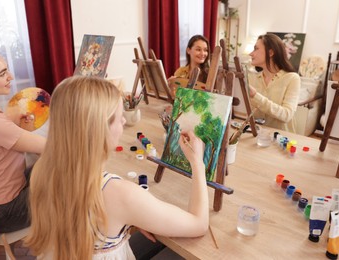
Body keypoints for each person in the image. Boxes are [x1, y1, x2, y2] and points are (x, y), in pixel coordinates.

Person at [25, 76, 209, 260]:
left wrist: (129, 219)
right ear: (99, 130)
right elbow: (199, 225)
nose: (123, 121)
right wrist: (197, 163)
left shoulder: (42, 170)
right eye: (118, 117)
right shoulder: (118, 193)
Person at [0, 46, 46, 233]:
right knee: (71, 183)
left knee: (50, 170)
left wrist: (14, 125)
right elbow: (51, 147)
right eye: (3, 73)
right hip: (7, 211)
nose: (10, 77)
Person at [247, 33, 301, 133]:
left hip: (282, 140)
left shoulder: (292, 78)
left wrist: (255, 95)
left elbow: (286, 115)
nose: (251, 53)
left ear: (270, 53)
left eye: (256, 49)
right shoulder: (251, 78)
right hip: (256, 136)